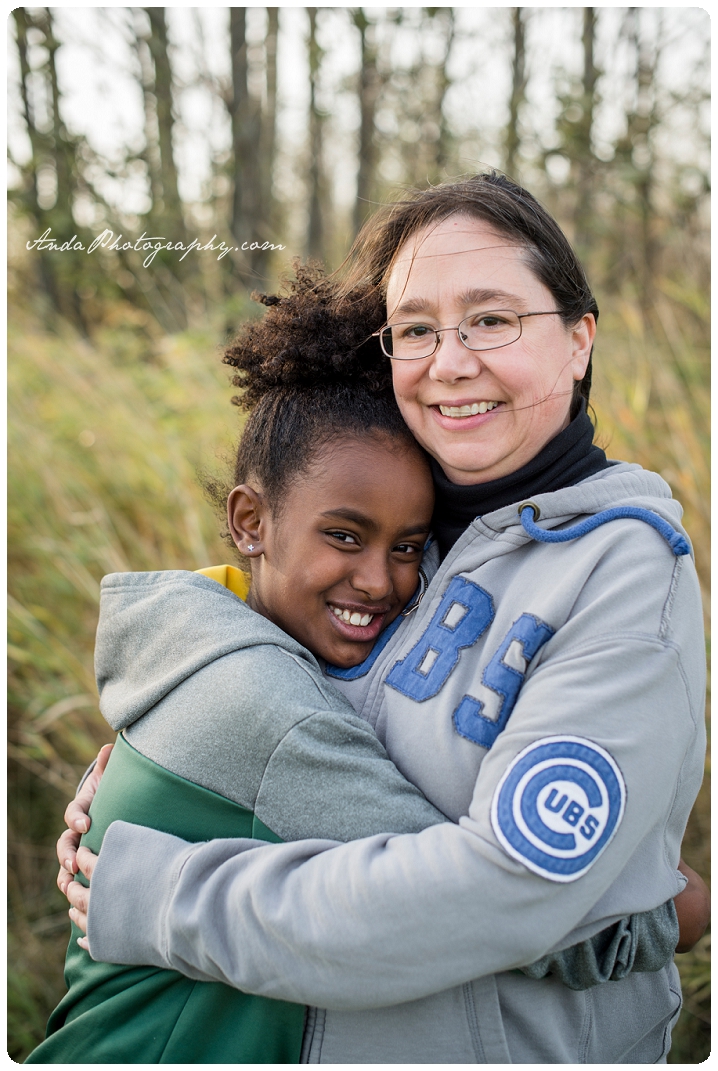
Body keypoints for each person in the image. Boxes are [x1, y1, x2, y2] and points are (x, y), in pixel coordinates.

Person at [61, 174, 708, 1063]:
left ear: (578, 339)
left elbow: (506, 890)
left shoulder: (621, 574)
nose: (450, 359)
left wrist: (167, 893)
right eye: (416, 329)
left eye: (492, 319)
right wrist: (168, 782)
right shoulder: (408, 527)